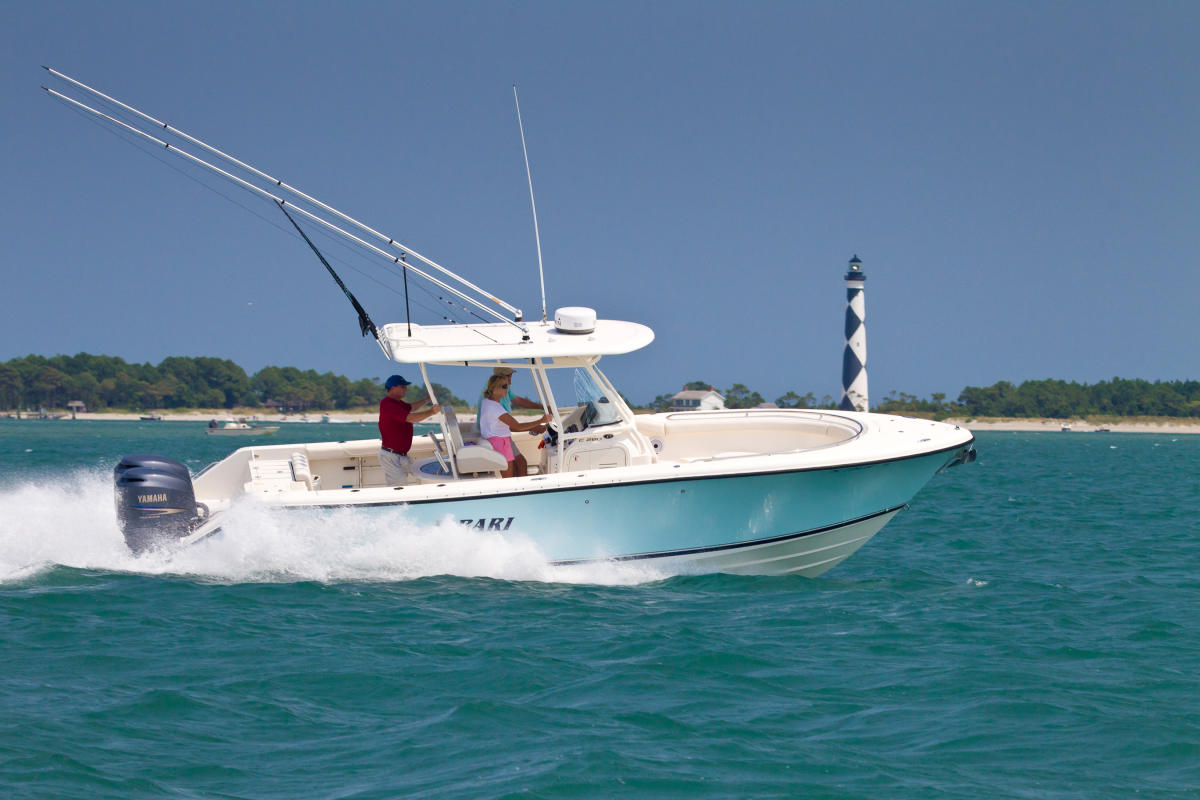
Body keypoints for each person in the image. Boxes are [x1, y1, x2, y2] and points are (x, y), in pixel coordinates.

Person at [475, 366, 546, 476]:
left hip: (497, 438)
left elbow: (517, 401)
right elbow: (515, 426)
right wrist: (540, 422)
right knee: (520, 465)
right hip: (501, 442)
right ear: (498, 383)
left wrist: (542, 407)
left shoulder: (488, 399)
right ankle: (523, 492)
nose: (507, 388)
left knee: (518, 467)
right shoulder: (496, 406)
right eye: (505, 386)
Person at [378, 374, 441, 485]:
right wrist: (431, 412)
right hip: (392, 457)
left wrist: (426, 399)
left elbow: (412, 407)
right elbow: (410, 418)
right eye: (403, 386)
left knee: (419, 478)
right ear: (393, 387)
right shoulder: (388, 404)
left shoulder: (397, 403)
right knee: (398, 488)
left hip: (400, 455)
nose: (405, 388)